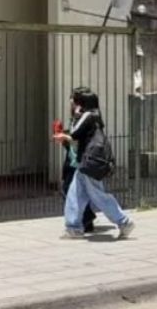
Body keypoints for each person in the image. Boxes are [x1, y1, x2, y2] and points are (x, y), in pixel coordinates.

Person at [53, 87, 134, 240]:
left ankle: (124, 222)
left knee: (98, 196)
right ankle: (73, 228)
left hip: (89, 162)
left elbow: (75, 134)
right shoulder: (94, 115)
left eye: (74, 99)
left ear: (80, 102)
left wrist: (63, 134)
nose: (71, 102)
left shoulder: (88, 115)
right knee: (74, 194)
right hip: (85, 163)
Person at [56, 102, 96, 233]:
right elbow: (72, 142)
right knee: (73, 191)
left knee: (72, 191)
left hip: (79, 163)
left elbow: (79, 139)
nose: (72, 105)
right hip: (72, 162)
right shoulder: (74, 119)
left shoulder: (86, 119)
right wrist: (64, 139)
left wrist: (65, 137)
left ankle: (86, 219)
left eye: (75, 103)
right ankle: (85, 220)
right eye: (72, 103)